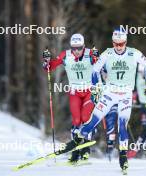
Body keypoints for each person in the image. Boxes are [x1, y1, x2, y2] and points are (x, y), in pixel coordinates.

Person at [64, 28, 146, 173]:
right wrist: (96, 86)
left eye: (122, 44)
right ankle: (75, 146)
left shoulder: (134, 52)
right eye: (116, 44)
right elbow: (94, 70)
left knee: (122, 125)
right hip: (109, 92)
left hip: (125, 94)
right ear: (113, 43)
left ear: (126, 42)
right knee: (92, 121)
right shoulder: (107, 53)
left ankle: (123, 157)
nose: (119, 47)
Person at [42, 33, 98, 163]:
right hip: (74, 92)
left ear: (83, 46)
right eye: (74, 48)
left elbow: (101, 65)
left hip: (89, 91)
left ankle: (86, 147)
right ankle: (75, 150)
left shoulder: (89, 54)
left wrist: (96, 57)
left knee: (85, 118)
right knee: (76, 120)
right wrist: (47, 62)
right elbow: (49, 68)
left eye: (79, 48)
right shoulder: (65, 55)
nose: (77, 51)